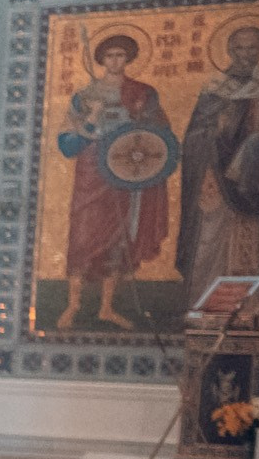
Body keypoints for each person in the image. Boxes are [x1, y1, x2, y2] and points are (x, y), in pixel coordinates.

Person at [56, 34, 176, 331]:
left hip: (123, 172)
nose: (115, 61)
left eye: (121, 55)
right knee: (83, 236)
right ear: (100, 59)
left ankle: (107, 308)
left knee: (117, 239)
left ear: (129, 58)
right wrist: (92, 118)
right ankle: (73, 304)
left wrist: (138, 122)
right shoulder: (84, 96)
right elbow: (68, 143)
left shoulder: (143, 93)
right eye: (109, 56)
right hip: (91, 172)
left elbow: (158, 135)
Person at [174, 24, 259, 308]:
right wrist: (215, 134)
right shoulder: (215, 89)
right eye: (240, 48)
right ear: (231, 51)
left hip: (253, 183)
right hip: (216, 182)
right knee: (210, 240)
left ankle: (249, 308)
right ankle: (202, 305)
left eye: (253, 48)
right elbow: (194, 137)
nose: (247, 55)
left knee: (254, 242)